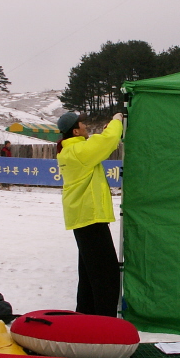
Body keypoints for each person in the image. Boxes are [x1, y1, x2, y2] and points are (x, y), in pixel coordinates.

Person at [57, 110, 124, 317]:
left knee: (89, 275)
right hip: (90, 219)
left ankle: (85, 318)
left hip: (83, 218)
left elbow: (98, 143)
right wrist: (116, 122)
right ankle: (105, 324)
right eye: (82, 124)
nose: (86, 126)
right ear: (75, 131)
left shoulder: (72, 151)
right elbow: (108, 140)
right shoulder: (78, 151)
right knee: (107, 275)